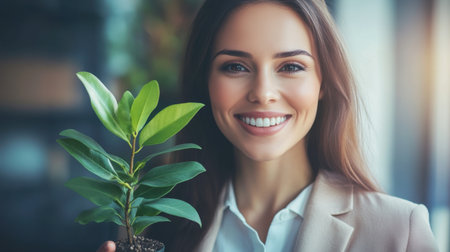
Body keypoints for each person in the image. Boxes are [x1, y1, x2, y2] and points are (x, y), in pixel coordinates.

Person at [98, 0, 438, 251]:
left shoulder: (400, 231)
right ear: (205, 83)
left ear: (323, 83)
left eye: (290, 67)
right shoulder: (150, 219)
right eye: (235, 67)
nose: (262, 93)